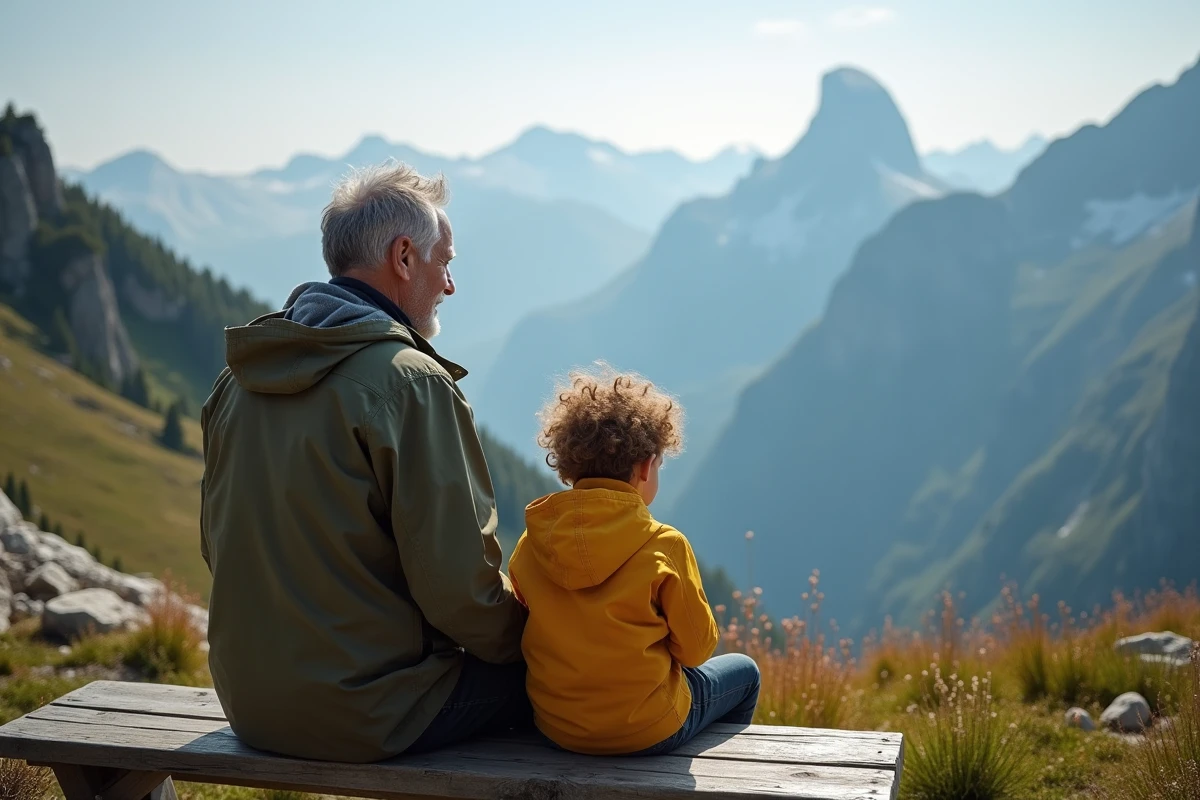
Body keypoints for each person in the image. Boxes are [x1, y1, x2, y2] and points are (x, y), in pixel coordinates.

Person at [199, 162, 528, 762]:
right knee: (599, 694)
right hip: (370, 710)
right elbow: (458, 592)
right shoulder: (409, 384)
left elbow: (215, 544)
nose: (449, 286)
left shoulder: (237, 382)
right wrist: (539, 641)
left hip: (249, 704)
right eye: (445, 262)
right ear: (404, 258)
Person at [508, 368, 760, 756]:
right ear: (645, 466)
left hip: (557, 726)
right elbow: (696, 652)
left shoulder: (531, 544)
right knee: (745, 673)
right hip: (648, 728)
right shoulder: (664, 545)